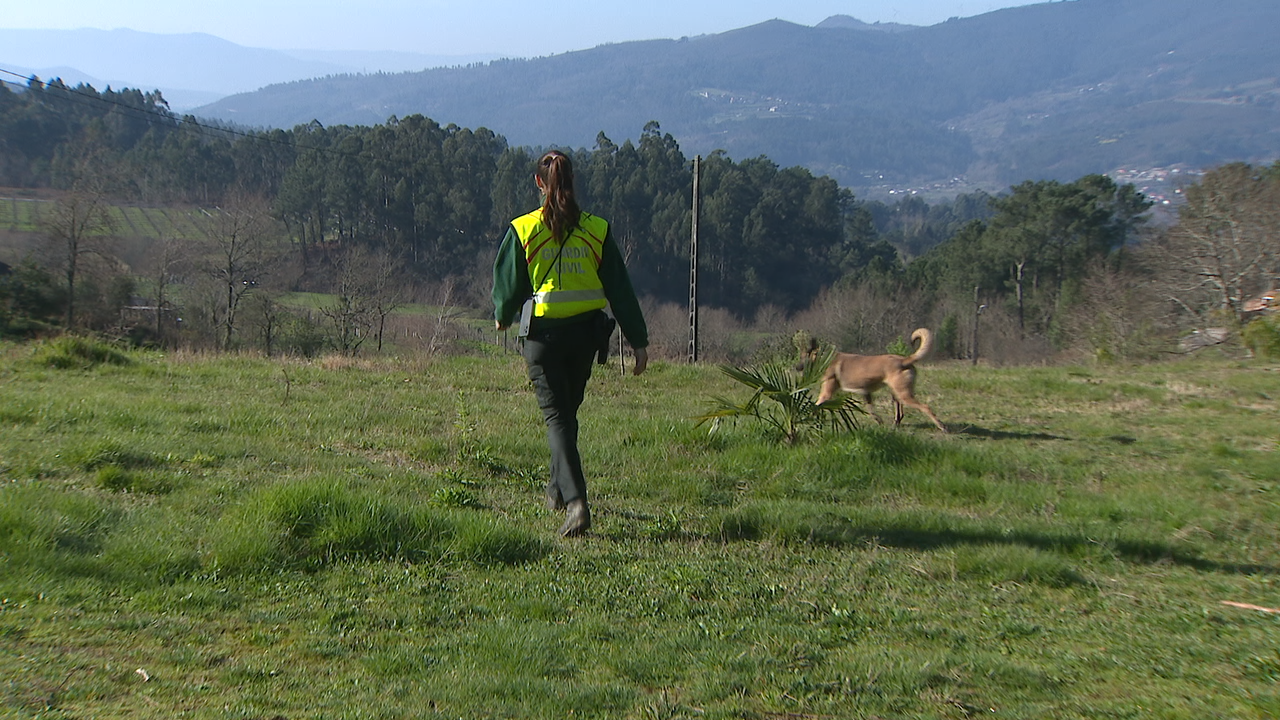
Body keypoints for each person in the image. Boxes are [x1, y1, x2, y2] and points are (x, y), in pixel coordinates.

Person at [492, 150, 649, 537]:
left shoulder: (523, 229)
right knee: (567, 414)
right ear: (572, 181)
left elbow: (508, 282)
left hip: (544, 338)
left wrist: (502, 313)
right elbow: (620, 289)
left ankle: (577, 504)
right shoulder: (597, 230)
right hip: (586, 337)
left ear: (538, 183)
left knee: (558, 418)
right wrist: (638, 340)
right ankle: (556, 492)